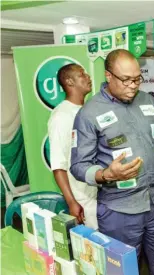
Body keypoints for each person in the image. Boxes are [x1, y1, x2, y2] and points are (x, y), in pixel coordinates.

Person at [70, 49, 154, 275]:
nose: (133, 85)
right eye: (126, 80)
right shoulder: (89, 113)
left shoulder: (149, 101)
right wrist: (107, 174)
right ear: (109, 76)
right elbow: (78, 166)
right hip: (120, 210)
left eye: (137, 79)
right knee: (122, 270)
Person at [48, 64, 98, 229]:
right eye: (81, 74)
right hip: (83, 200)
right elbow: (58, 165)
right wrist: (72, 202)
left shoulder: (89, 110)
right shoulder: (61, 116)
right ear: (69, 81)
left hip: (99, 193)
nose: (88, 77)